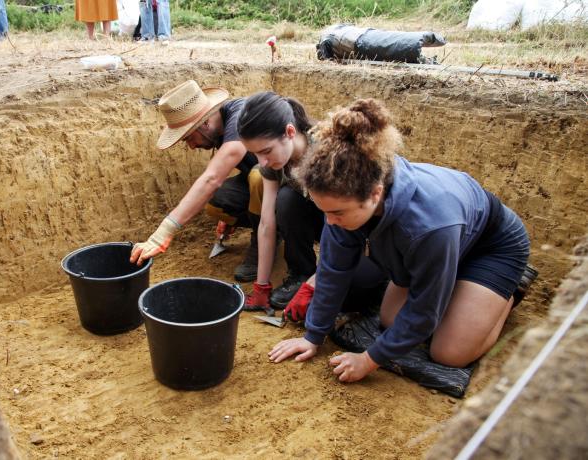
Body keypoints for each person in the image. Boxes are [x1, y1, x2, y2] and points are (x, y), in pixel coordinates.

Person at [269, 98, 531, 383]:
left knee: (450, 353)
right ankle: (456, 284)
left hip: (491, 248)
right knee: (391, 320)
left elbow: (424, 312)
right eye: (325, 212)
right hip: (441, 245)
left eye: (337, 213)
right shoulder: (344, 199)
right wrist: (313, 335)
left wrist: (368, 360)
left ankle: (508, 291)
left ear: (375, 194)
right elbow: (333, 271)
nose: (330, 223)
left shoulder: (428, 225)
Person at [130, 80, 263, 282]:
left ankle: (269, 240)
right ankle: (262, 224)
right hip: (263, 183)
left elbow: (213, 178)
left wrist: (163, 233)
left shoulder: (241, 115)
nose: (191, 146)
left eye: (189, 138)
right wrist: (237, 209)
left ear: (205, 123)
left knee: (258, 176)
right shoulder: (219, 129)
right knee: (219, 203)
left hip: (296, 191)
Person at [235, 92, 324, 312]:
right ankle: (301, 273)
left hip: (352, 230)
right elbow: (266, 224)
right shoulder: (273, 162)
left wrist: (316, 284)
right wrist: (261, 286)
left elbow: (343, 228)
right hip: (318, 217)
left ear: (290, 132)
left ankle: (317, 279)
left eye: (266, 151)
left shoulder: (325, 153)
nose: (262, 162)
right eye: (255, 154)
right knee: (286, 200)